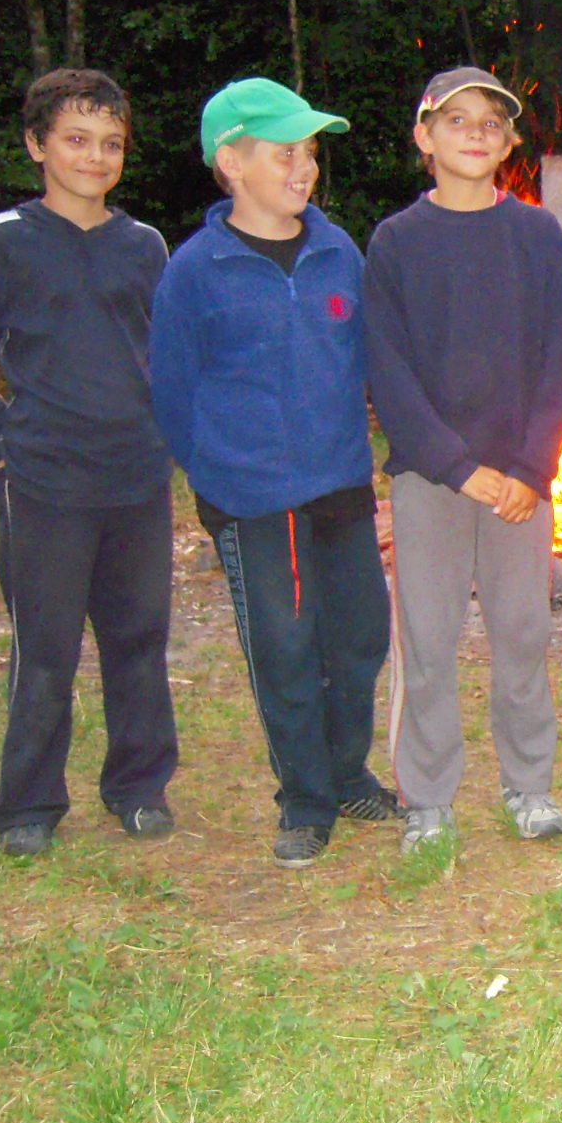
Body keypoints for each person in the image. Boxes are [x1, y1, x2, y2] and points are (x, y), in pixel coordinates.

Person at [150, 78, 396, 868]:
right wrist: (217, 474)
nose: (305, 167)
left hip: (340, 484)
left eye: (311, 152)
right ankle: (305, 800)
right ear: (232, 162)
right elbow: (172, 390)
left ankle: (347, 773)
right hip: (255, 499)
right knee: (286, 647)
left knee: (359, 638)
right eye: (286, 152)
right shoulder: (197, 270)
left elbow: (365, 361)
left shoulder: (336, 251)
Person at [0, 69, 178, 856]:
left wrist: (167, 437)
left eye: (111, 143)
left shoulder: (144, 246)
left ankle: (138, 787)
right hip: (44, 483)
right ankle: (28, 805)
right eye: (76, 139)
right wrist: (2, 450)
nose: (95, 156)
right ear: (37, 146)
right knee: (45, 648)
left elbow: (169, 358)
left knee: (138, 639)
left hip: (136, 477)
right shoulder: (2, 240)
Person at [364, 67, 562, 854]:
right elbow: (386, 368)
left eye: (491, 121)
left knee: (523, 631)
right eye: (456, 120)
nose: (476, 133)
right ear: (424, 137)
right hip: (432, 477)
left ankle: (530, 786)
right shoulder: (396, 240)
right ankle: (427, 797)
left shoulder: (535, 234)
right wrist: (456, 466)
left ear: (510, 140)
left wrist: (531, 468)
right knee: (427, 637)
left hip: (520, 482)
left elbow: (560, 357)